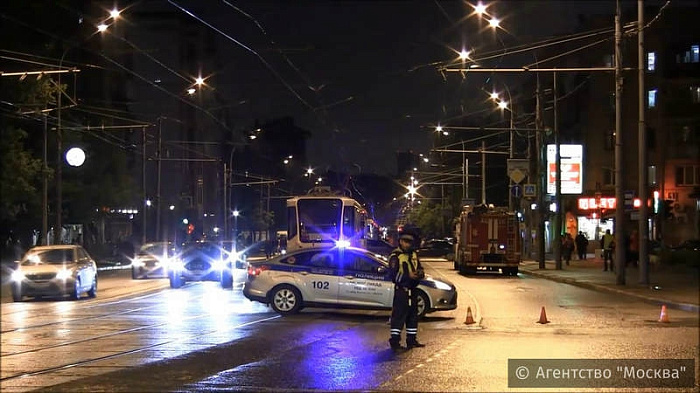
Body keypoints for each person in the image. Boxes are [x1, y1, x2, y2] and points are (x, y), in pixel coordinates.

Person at [388, 232, 425, 351]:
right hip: (402, 291)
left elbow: (419, 267)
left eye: (410, 242)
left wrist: (420, 273)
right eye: (406, 242)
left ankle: (411, 340)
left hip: (413, 290)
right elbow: (394, 276)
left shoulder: (413, 254)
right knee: (399, 317)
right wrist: (408, 276)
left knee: (413, 316)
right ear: (401, 242)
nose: (408, 244)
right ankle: (395, 343)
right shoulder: (395, 256)